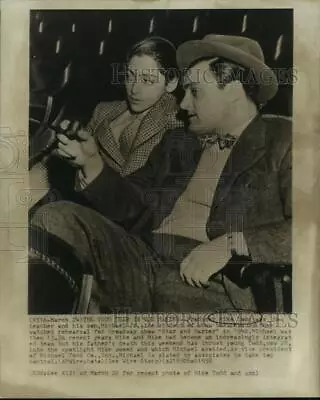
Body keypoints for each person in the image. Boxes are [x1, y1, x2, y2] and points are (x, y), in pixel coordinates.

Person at [30, 34, 292, 313]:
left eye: (194, 91)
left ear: (234, 90)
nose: (182, 105)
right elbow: (133, 205)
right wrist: (91, 162)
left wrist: (232, 245)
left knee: (166, 298)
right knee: (56, 217)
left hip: (209, 280)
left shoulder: (285, 140)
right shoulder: (178, 142)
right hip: (142, 258)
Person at [29, 36, 182, 209]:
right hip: (74, 193)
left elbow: (134, 198)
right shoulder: (105, 110)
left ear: (171, 83)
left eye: (147, 80)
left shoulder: (175, 126)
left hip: (113, 212)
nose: (134, 89)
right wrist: (68, 143)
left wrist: (87, 163)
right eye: (130, 76)